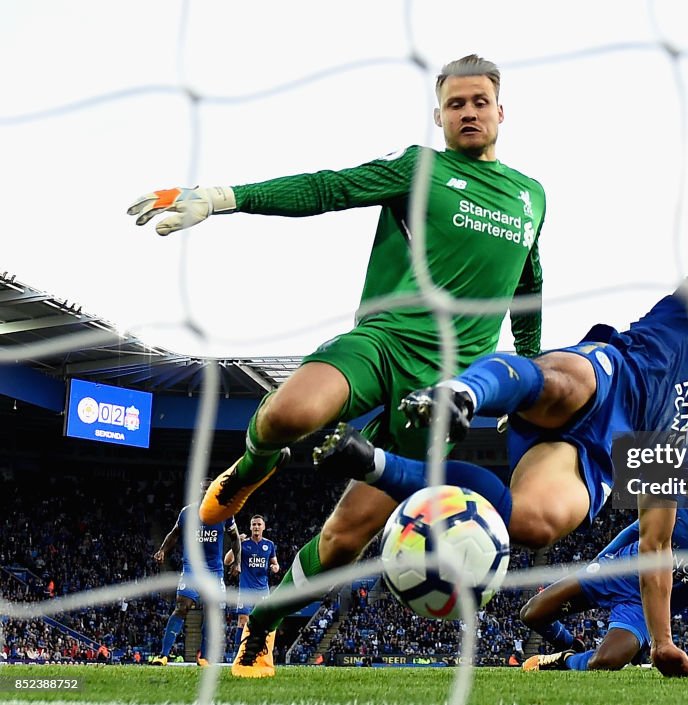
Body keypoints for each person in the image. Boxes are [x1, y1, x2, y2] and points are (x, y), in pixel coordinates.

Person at [128, 54, 546, 677]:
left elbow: (529, 289)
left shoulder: (530, 195)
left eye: (479, 102)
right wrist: (224, 198)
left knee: (344, 541)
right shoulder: (419, 168)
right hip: (386, 342)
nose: (468, 112)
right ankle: (248, 472)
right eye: (455, 104)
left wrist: (535, 375)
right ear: (439, 115)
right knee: (288, 413)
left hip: (444, 393)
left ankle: (263, 630)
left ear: (500, 111)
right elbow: (331, 187)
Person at [316, 243, 688, 677]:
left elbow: (656, 546)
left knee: (534, 524)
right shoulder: (681, 323)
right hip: (608, 377)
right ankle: (462, 396)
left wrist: (662, 642)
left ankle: (376, 465)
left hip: (588, 458)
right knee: (565, 381)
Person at [518, 494, 688, 672]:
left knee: (607, 660)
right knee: (531, 613)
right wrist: (602, 558)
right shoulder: (676, 504)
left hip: (643, 605)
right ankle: (569, 645)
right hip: (614, 572)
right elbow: (634, 529)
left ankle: (568, 660)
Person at [150, 484, 240, 666]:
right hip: (192, 568)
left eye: (209, 491)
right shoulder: (187, 513)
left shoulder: (224, 513)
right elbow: (174, 534)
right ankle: (163, 655)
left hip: (214, 571)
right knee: (182, 607)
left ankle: (205, 658)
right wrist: (162, 551)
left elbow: (235, 537)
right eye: (202, 491)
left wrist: (237, 562)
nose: (205, 493)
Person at [224, 515, 279, 652]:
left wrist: (275, 568)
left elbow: (275, 563)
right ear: (250, 527)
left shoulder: (269, 545)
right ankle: (238, 654)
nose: (256, 527)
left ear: (263, 527)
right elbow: (227, 560)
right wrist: (237, 542)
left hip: (262, 591)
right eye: (254, 524)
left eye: (259, 524)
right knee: (243, 621)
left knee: (263, 623)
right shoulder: (243, 544)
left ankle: (260, 654)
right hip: (246, 590)